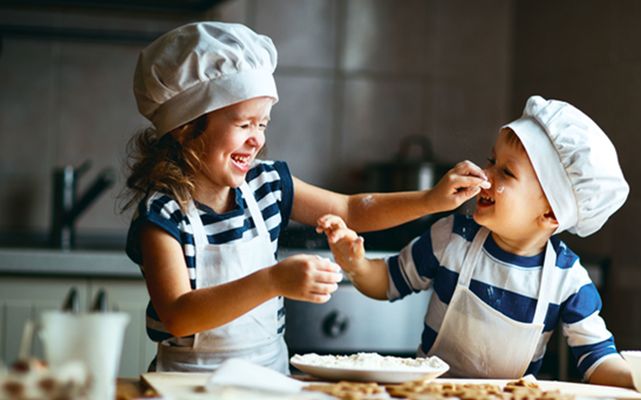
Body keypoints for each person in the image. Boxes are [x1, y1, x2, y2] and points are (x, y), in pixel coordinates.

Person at [122, 21, 490, 373]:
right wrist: (272, 281)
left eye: (262, 124)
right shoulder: (164, 213)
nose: (257, 139)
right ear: (187, 128)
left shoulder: (267, 184)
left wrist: (431, 200)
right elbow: (178, 314)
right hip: (185, 384)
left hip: (269, 380)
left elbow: (351, 209)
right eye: (244, 123)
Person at [317, 95, 634, 387]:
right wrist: (356, 264)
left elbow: (598, 360)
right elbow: (386, 282)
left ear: (551, 212)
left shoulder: (568, 280)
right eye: (491, 160)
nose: (485, 174)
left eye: (506, 173)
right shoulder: (452, 237)